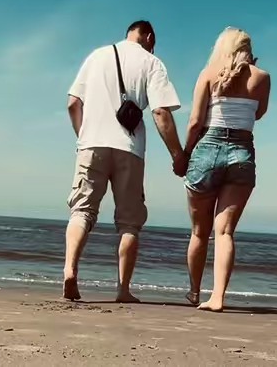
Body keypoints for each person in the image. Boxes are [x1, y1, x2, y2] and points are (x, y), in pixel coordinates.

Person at [64, 20, 187, 303]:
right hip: (129, 149)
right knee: (129, 222)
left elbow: (73, 102)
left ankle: (70, 270)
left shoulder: (97, 55)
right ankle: (123, 290)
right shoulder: (152, 63)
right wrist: (177, 155)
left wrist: (83, 136)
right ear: (149, 37)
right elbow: (160, 113)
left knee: (82, 210)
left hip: (91, 144)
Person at [182, 27, 271, 312]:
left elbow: (195, 122)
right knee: (225, 232)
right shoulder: (262, 77)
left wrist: (184, 154)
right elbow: (258, 113)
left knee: (199, 232)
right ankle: (218, 297)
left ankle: (195, 292)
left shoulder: (209, 73)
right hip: (242, 152)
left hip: (208, 148)